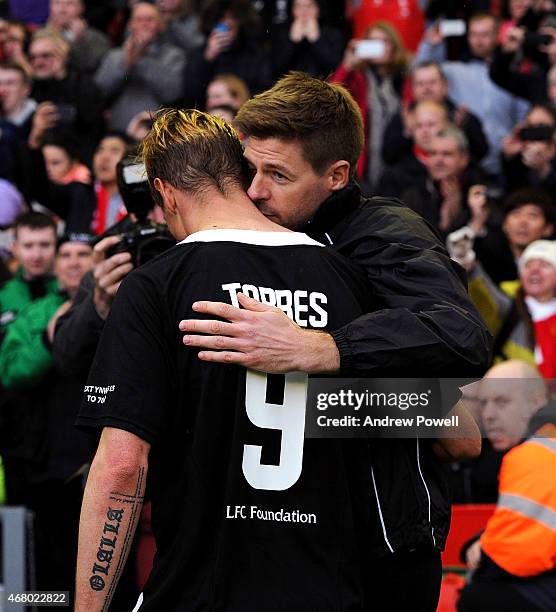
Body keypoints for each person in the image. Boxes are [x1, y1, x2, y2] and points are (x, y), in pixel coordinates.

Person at [177, 72, 490, 611]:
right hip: (284, 538)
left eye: (277, 174)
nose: (254, 191)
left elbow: (463, 337)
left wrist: (324, 349)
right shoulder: (246, 234)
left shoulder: (385, 232)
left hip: (385, 548)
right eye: (248, 169)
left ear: (337, 175)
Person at [75, 108, 377, 611]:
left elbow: (123, 466)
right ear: (242, 176)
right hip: (328, 590)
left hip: (203, 592)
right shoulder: (345, 275)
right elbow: (427, 422)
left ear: (165, 192)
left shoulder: (158, 284)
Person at [458, 360, 556, 612]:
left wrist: (484, 554)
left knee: (478, 598)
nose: (488, 414)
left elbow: (512, 558)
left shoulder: (537, 452)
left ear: (537, 403)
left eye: (502, 402)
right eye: (484, 403)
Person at [414, 12, 530, 178]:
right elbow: (420, 73)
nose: (478, 40)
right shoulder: (454, 70)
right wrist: (430, 45)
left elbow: (523, 115)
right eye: (474, 34)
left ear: (498, 35)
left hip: (506, 158)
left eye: (485, 34)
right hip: (466, 162)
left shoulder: (511, 74)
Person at [330, 21, 411, 191]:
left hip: (399, 156)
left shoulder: (404, 77)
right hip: (364, 159)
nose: (379, 47)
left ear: (394, 45)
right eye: (373, 42)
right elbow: (331, 97)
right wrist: (347, 64)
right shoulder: (357, 76)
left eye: (384, 41)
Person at [94, 2, 185, 132]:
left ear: (160, 25)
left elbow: (172, 93)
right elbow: (100, 91)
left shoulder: (174, 56)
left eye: (149, 20)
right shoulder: (115, 55)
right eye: (138, 19)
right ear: (130, 24)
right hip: (118, 132)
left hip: (157, 133)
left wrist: (141, 59)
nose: (144, 25)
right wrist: (126, 63)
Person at [0, 211, 57, 331]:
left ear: (57, 246)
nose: (36, 255)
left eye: (45, 245)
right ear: (15, 248)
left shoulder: (72, 293)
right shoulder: (2, 296)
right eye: (28, 246)